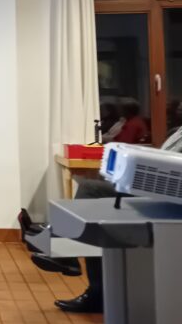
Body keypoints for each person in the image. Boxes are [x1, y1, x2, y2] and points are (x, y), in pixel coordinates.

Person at [38, 124, 182, 314]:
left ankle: (69, 254)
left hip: (169, 198)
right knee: (96, 213)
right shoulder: (178, 132)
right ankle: (71, 256)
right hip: (160, 191)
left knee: (90, 190)